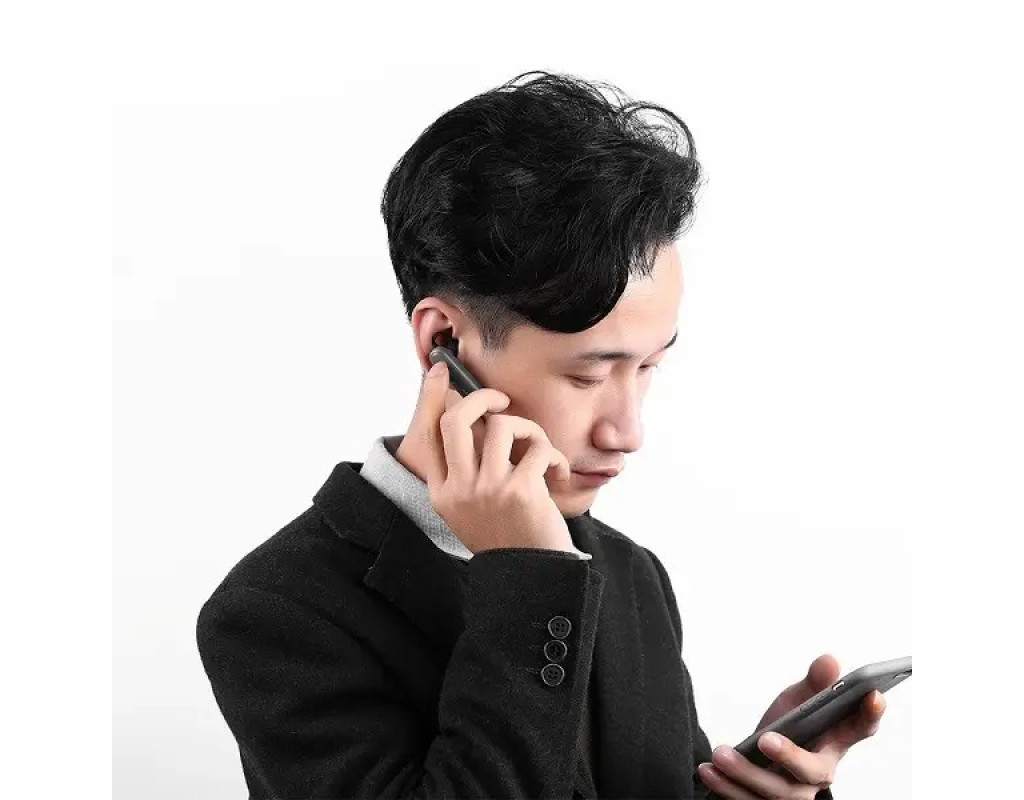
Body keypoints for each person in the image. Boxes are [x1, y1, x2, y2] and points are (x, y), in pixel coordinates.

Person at [196, 71, 885, 799]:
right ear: (444, 341)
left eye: (648, 367)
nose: (628, 431)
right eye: (588, 375)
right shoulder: (277, 610)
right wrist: (527, 578)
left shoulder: (629, 573)